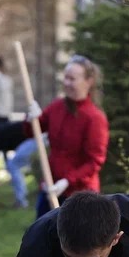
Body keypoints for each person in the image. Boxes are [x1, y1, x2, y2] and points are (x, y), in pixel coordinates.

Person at [18, 55, 109, 218]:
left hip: (80, 196)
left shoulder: (94, 118)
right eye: (65, 78)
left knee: (73, 242)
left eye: (72, 79)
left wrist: (67, 181)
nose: (66, 83)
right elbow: (33, 131)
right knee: (41, 239)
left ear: (88, 81)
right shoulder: (57, 107)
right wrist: (31, 117)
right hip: (50, 187)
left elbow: (94, 161)